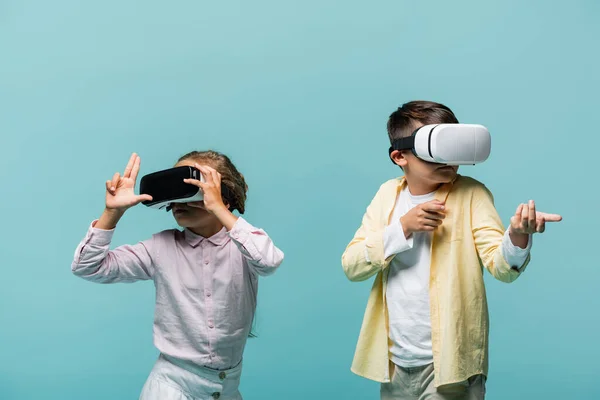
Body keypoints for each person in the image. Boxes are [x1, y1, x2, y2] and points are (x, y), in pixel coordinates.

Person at [341, 101, 562, 399]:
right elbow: (352, 266)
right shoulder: (386, 196)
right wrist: (402, 227)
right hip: (394, 363)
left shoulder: (472, 194)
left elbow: (501, 267)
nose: (449, 159)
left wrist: (518, 236)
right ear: (399, 156)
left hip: (451, 363)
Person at [72, 151, 284, 400]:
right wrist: (112, 213)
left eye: (193, 187)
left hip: (226, 389)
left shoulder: (244, 245)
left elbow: (269, 262)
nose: (179, 201)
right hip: (170, 388)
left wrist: (219, 208)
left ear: (222, 195)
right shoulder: (160, 247)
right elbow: (88, 266)